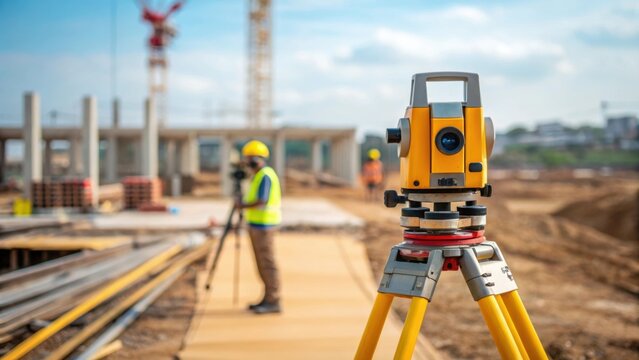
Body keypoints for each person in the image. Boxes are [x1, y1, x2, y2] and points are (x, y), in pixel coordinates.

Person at [235, 140, 282, 314]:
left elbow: (262, 201)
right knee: (261, 264)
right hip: (257, 225)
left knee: (267, 263)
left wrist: (242, 206)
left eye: (250, 159)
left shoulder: (265, 175)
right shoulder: (257, 176)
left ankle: (274, 300)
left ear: (258, 159)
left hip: (264, 226)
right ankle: (267, 297)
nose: (248, 163)